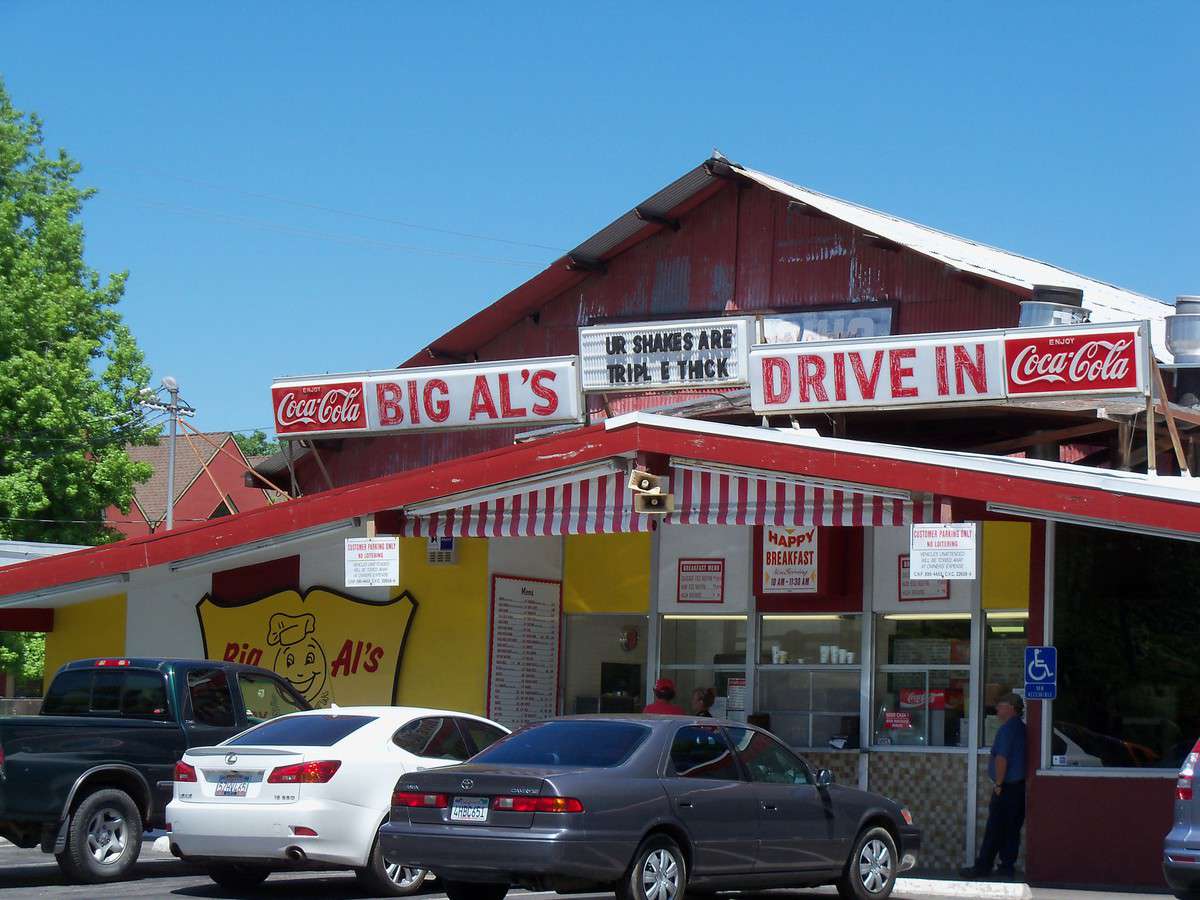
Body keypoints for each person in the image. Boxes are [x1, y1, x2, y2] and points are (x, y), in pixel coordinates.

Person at [961, 692, 1027, 880]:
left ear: (1011, 708)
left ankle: (983, 867)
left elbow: (1001, 758)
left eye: (1001, 704)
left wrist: (998, 784)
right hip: (1018, 788)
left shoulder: (1007, 730)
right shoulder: (1020, 728)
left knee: (995, 828)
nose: (997, 708)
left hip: (1007, 787)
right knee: (1012, 830)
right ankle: (1006, 867)